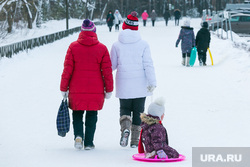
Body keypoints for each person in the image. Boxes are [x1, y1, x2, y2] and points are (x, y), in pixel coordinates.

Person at [60, 19, 113, 150]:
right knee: (92, 114)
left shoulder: (73, 47)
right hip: (96, 89)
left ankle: (78, 136)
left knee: (77, 113)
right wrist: (109, 89)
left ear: (81, 32)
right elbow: (107, 71)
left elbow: (67, 69)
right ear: (94, 32)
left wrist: (63, 88)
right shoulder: (102, 48)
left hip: (76, 88)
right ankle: (89, 142)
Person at [110, 11, 157, 148]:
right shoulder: (143, 44)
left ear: (124, 26)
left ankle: (125, 128)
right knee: (138, 111)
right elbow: (148, 64)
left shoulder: (116, 45)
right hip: (140, 85)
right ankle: (135, 140)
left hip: (123, 83)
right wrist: (152, 82)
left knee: (124, 108)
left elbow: (111, 65)